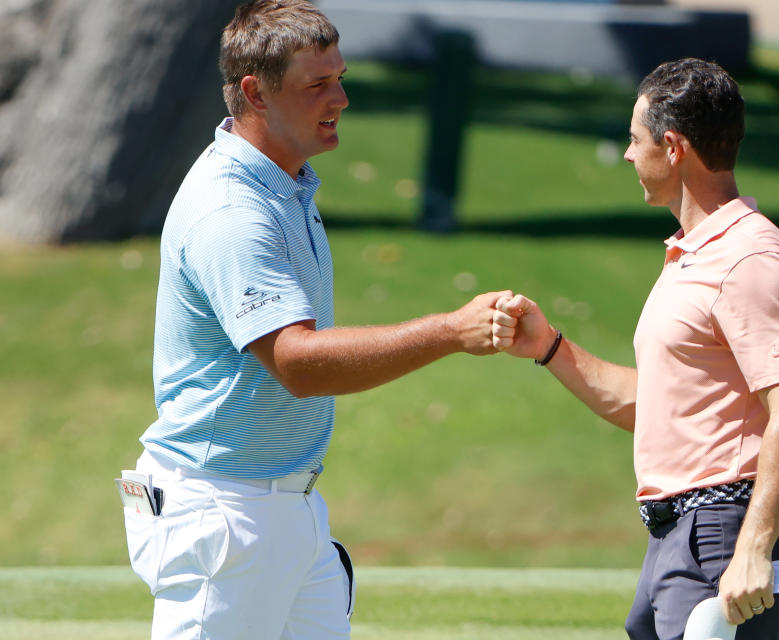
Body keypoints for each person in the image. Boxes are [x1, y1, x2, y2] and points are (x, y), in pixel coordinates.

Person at [120, 2, 507, 638]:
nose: (342, 98)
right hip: (224, 511)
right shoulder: (230, 209)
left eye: (340, 77)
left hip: (286, 507)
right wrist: (450, 331)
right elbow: (297, 363)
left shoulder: (287, 185)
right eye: (317, 84)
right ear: (255, 92)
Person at [491, 58, 779, 640]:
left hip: (721, 535)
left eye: (633, 138)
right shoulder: (694, 254)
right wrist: (549, 347)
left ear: (672, 147)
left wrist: (753, 547)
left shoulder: (750, 260)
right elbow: (659, 407)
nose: (625, 153)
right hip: (680, 536)